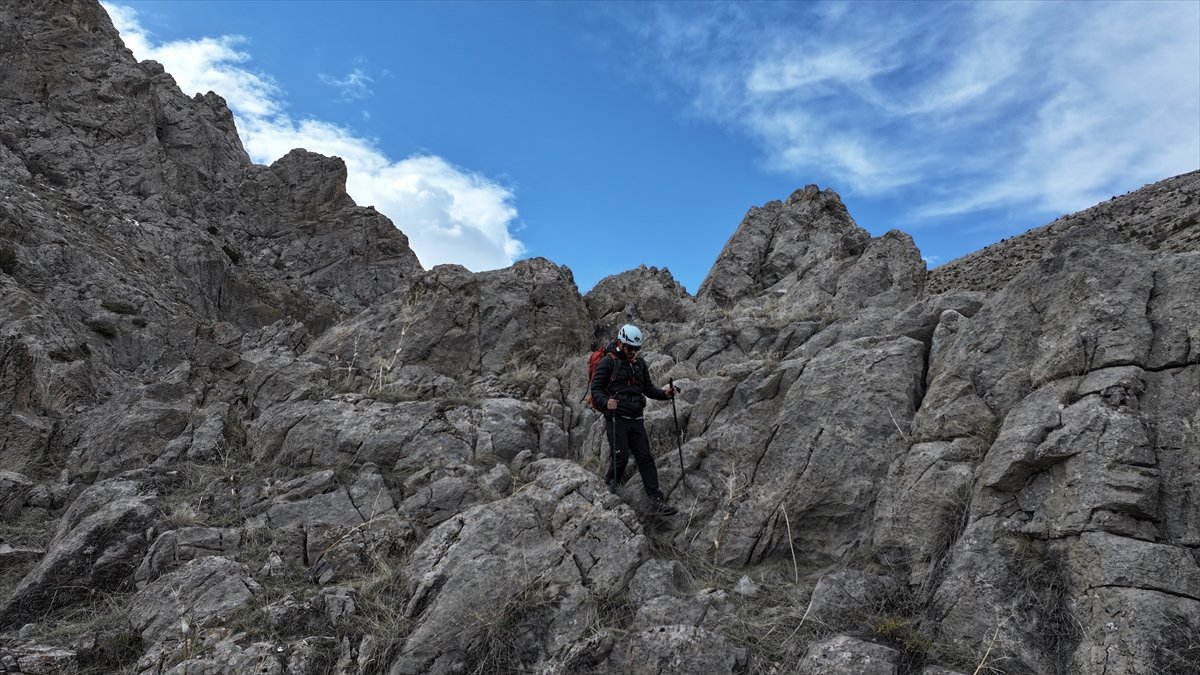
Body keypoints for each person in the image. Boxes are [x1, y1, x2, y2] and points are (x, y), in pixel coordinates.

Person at [590, 324, 678, 515]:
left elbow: (648, 389)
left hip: (636, 418)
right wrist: (606, 402)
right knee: (620, 459)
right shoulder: (608, 362)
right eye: (630, 348)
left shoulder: (639, 363)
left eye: (637, 348)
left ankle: (657, 501)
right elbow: (596, 389)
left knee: (645, 458)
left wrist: (665, 394)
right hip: (616, 418)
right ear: (620, 343)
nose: (633, 352)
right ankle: (607, 493)